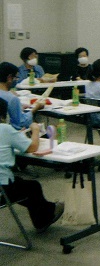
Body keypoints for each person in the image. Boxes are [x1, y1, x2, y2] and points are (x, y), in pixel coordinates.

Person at [0, 98, 64, 233]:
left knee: (22, 185)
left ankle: (47, 212)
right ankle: (45, 217)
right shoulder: (5, 129)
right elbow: (33, 147)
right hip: (3, 187)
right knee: (32, 187)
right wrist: (35, 130)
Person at [0, 62, 45, 130]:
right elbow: (22, 122)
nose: (16, 80)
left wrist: (19, 108)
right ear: (9, 78)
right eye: (16, 77)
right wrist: (35, 109)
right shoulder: (12, 99)